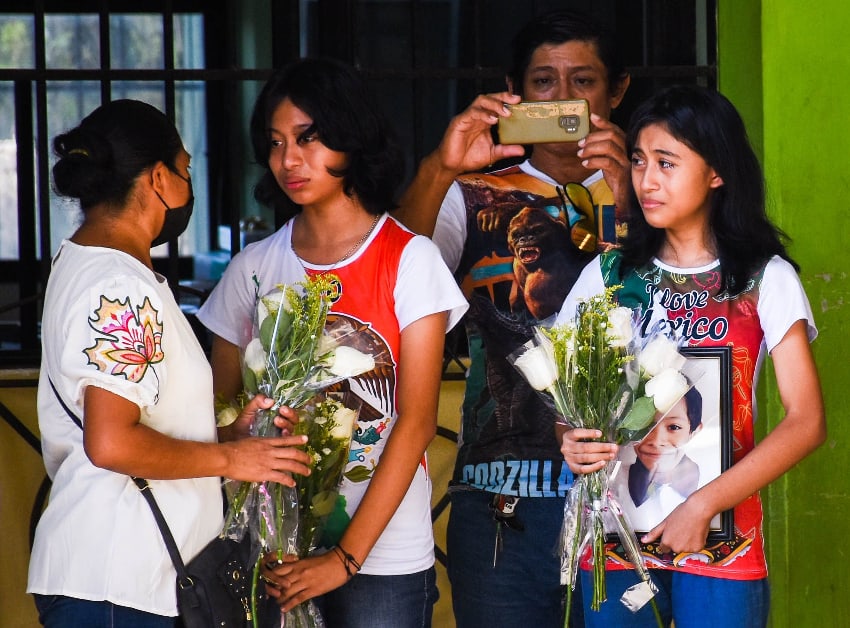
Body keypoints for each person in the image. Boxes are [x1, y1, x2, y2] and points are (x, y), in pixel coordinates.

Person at [195, 57, 468, 627]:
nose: (288, 160)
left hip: (385, 558)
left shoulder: (408, 260)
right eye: (274, 143)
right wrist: (246, 431)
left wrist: (344, 561)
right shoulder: (253, 268)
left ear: (352, 137)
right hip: (273, 554)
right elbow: (216, 418)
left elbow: (415, 422)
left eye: (308, 138)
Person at [26, 99, 313, 628]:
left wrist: (227, 441)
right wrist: (235, 463)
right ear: (159, 179)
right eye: (185, 170)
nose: (188, 187)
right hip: (120, 584)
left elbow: (139, 418)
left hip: (118, 579)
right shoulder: (119, 286)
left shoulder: (87, 263)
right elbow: (112, 442)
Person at [393, 9, 630, 627]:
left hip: (632, 505)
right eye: (544, 83)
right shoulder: (468, 193)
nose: (563, 99)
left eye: (584, 82)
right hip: (504, 503)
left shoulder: (657, 189)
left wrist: (628, 186)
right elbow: (391, 272)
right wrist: (442, 166)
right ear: (515, 92)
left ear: (618, 91)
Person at [557, 84, 826, 627]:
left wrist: (700, 506)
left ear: (717, 172)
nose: (646, 180)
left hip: (723, 542)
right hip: (614, 542)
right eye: (638, 161)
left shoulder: (762, 278)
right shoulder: (606, 277)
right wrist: (569, 438)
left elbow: (806, 422)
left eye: (667, 162)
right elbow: (564, 402)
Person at [614, 386, 703, 532]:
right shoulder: (611, 483)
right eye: (645, 426)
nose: (656, 441)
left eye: (674, 427)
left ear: (694, 431)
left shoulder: (714, 477)